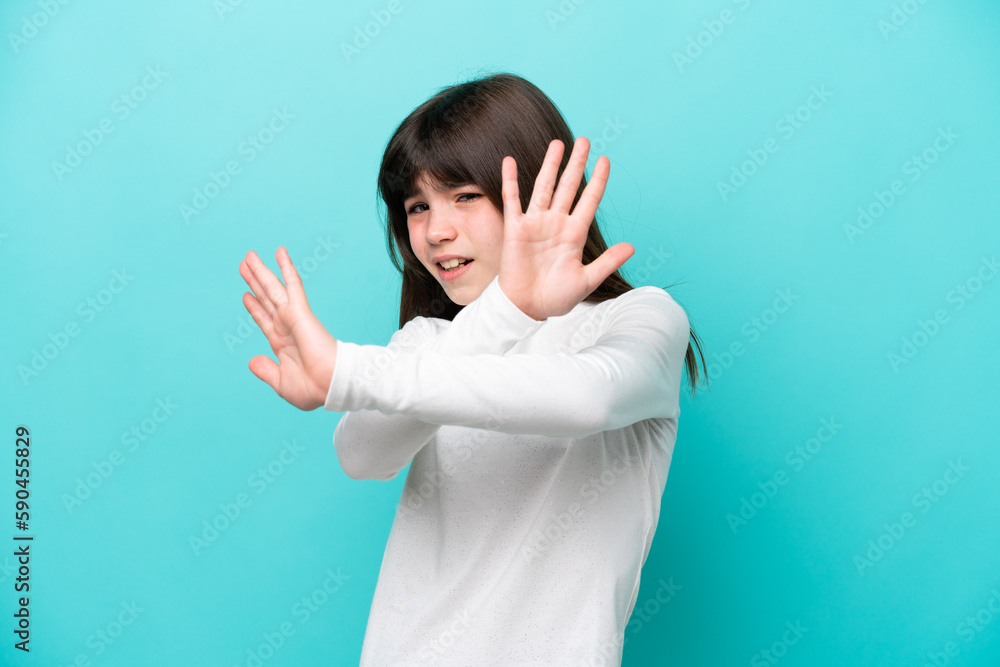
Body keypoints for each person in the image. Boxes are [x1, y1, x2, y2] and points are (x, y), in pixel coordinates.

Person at [239, 72, 707, 666]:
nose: (436, 232)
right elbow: (362, 454)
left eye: (464, 196)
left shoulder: (641, 320)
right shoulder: (428, 343)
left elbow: (584, 402)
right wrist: (504, 314)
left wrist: (346, 371)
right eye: (416, 206)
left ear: (541, 190)